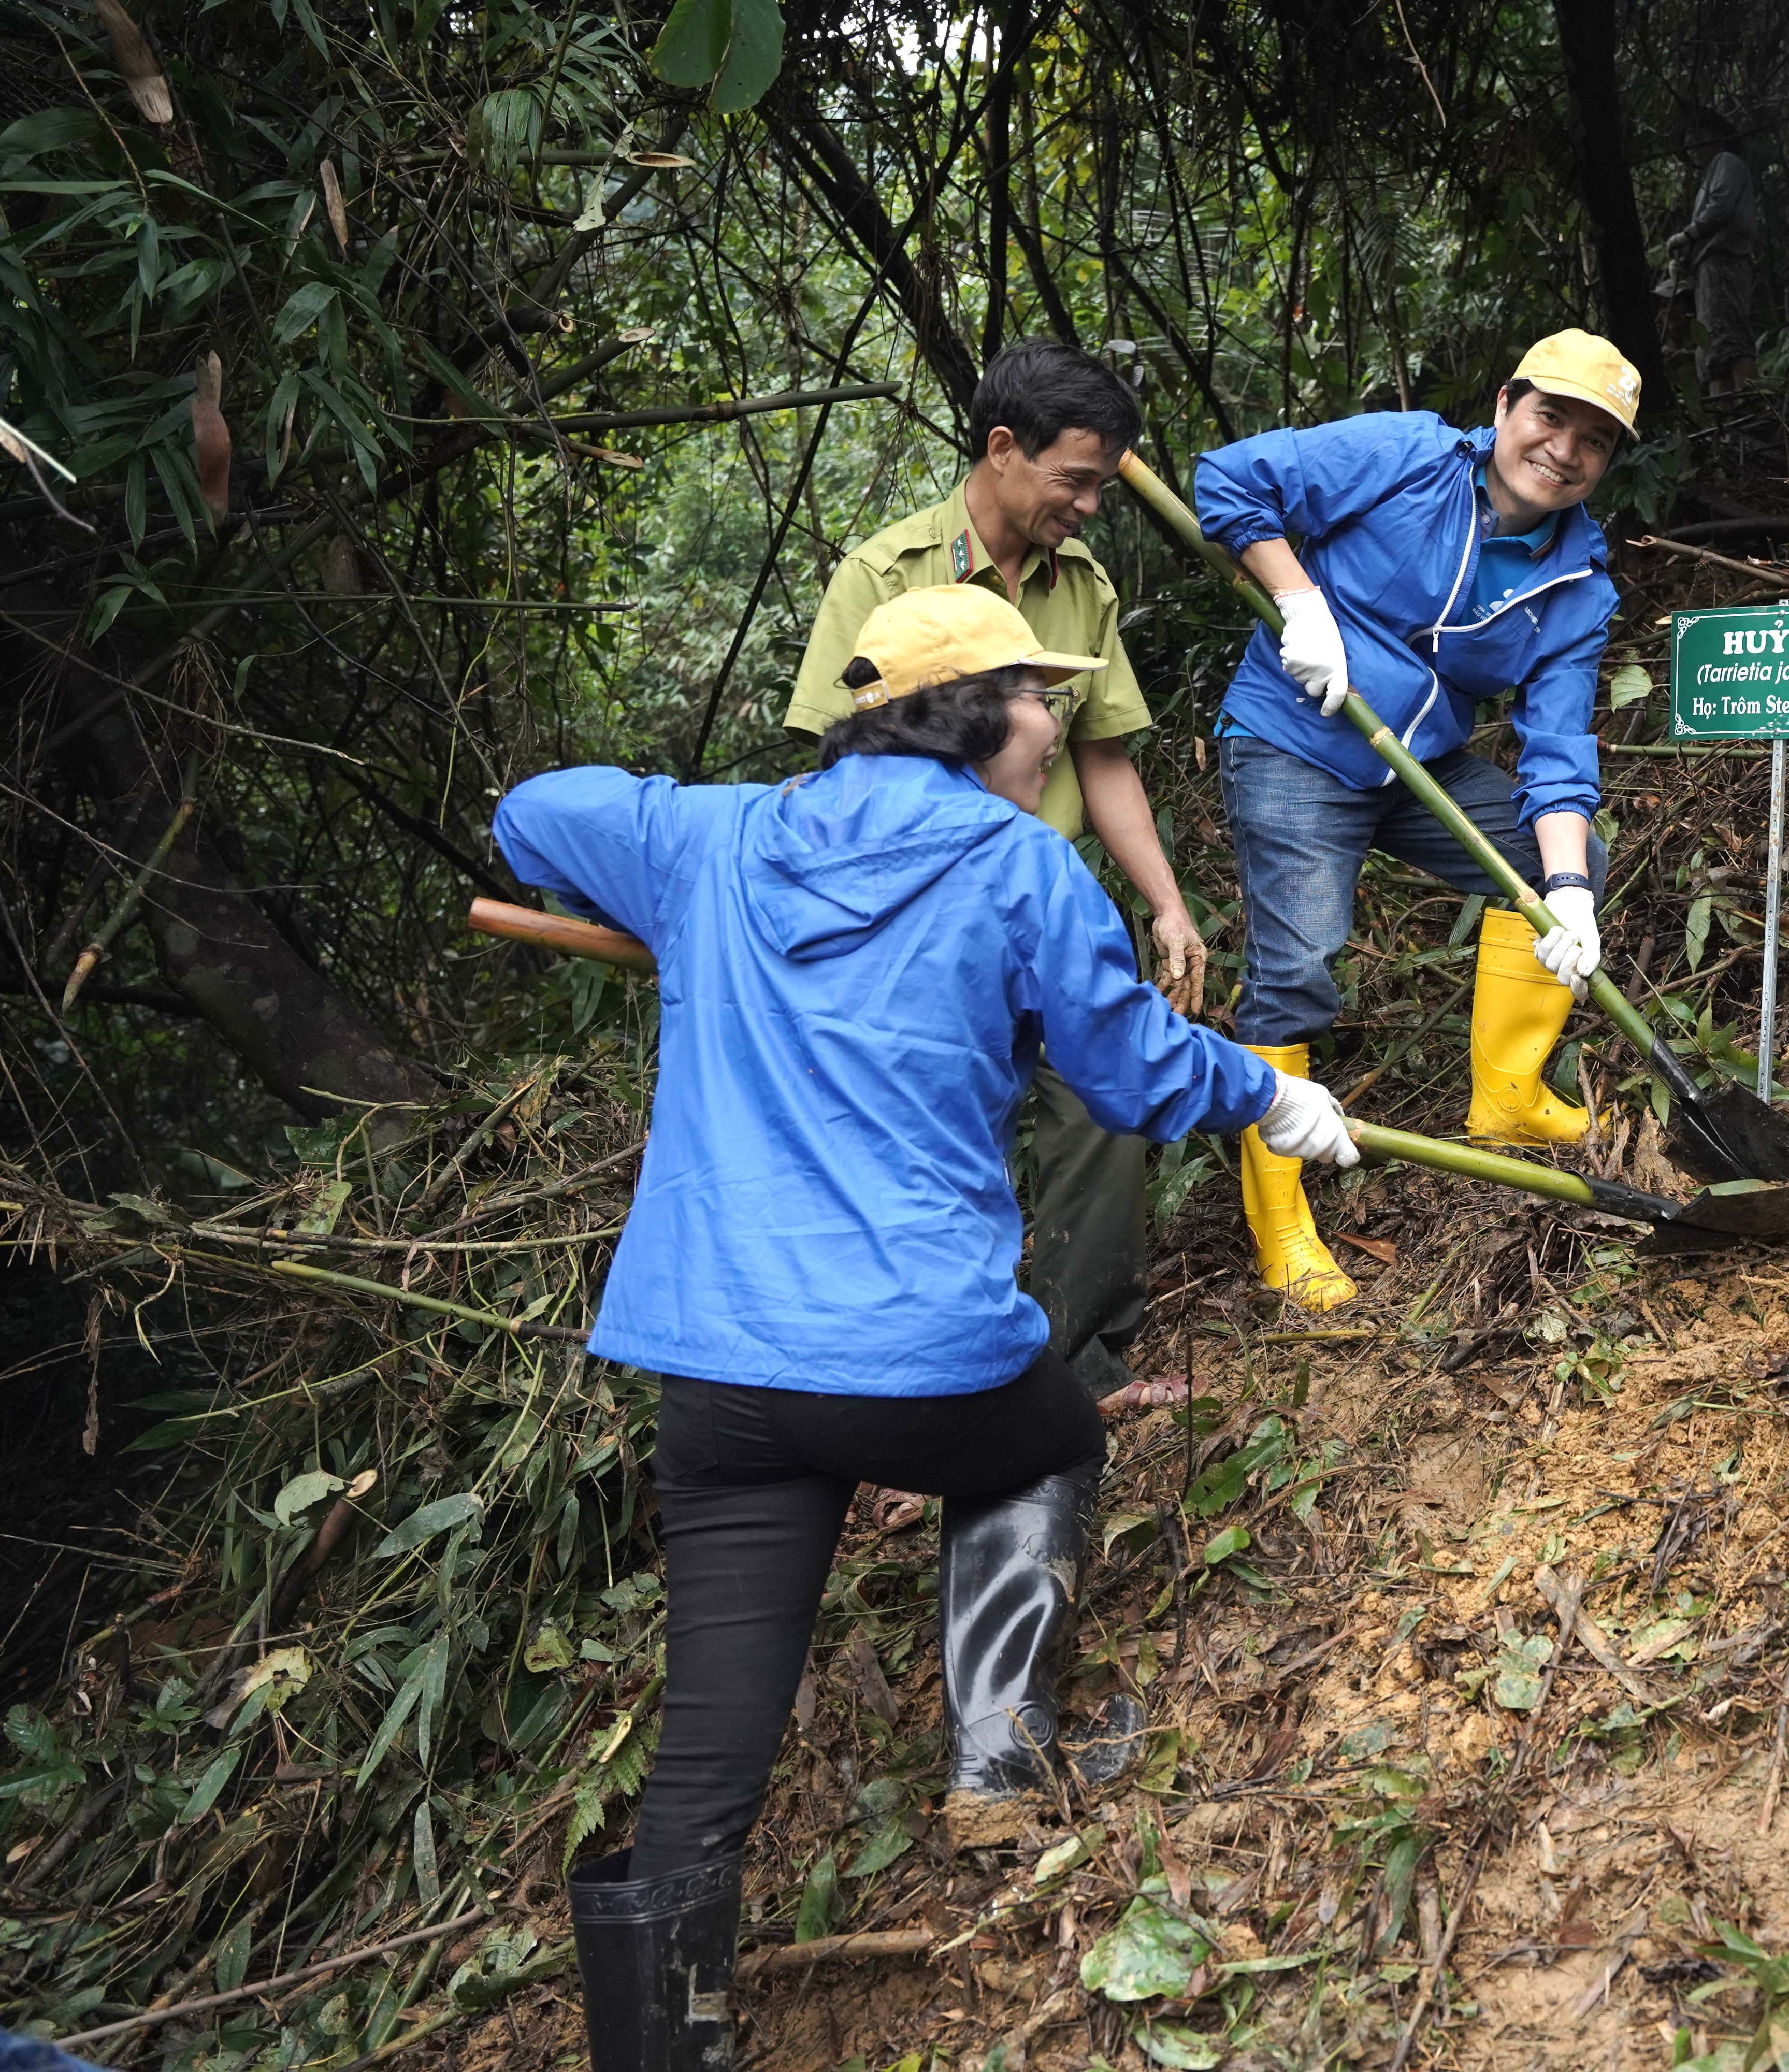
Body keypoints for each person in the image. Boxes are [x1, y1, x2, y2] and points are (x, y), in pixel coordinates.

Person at [499, 586, 1358, 2072]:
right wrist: (1273, 1096)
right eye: (1044, 701)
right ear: (981, 711)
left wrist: (683, 876)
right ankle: (999, 1760)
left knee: (709, 1746)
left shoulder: (718, 840)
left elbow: (532, 816)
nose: (1056, 729)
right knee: (1054, 1437)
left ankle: (660, 2054)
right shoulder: (1015, 868)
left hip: (722, 1368)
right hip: (917, 1360)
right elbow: (1139, 1073)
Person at [1190, 329, 1641, 1310]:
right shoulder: (1405, 456)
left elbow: (1558, 749)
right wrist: (1300, 603)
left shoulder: (1577, 583)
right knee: (1300, 962)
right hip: (1297, 743)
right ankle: (1284, 1228)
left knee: (1559, 861)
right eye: (1550, 417)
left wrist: (1567, 893)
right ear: (1505, 406)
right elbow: (1227, 479)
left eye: (1595, 440)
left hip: (1417, 767)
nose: (1564, 450)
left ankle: (1509, 1099)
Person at [784, 339, 1198, 1403]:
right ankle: (909, 1384)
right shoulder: (884, 577)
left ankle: (1079, 1368)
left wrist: (1164, 903)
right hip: (915, 910)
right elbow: (837, 767)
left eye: (1106, 485)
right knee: (920, 1133)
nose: (1093, 505)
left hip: (1043, 896)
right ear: (1003, 450)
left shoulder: (1084, 588)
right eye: (1076, 480)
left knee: (1101, 1103)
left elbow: (1102, 750)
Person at [1662, 118, 1758, 395]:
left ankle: (1755, 410)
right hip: (1708, 266)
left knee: (1729, 335)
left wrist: (1688, 236)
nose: (1693, 150)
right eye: (1688, 146)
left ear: (1715, 137)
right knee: (1711, 346)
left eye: (1697, 141)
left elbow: (1721, 207)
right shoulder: (1708, 177)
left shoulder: (1726, 162)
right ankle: (1725, 424)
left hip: (1724, 260)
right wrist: (1684, 258)